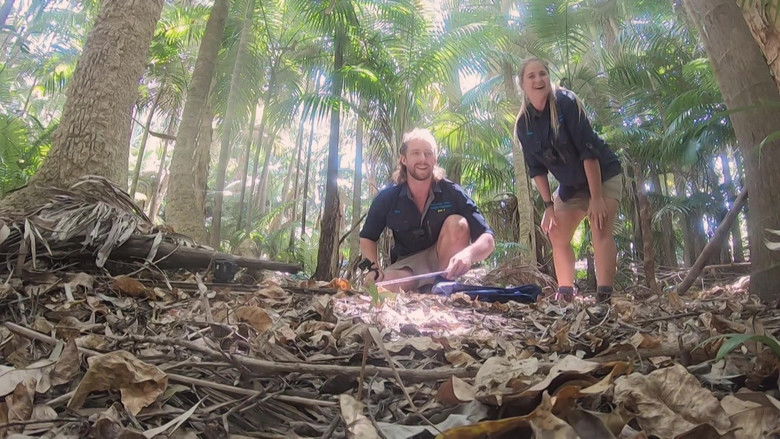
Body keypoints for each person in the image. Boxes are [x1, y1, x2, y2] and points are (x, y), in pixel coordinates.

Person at [514, 58, 623, 303]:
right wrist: (549, 207)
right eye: (531, 76)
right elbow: (537, 169)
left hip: (602, 175)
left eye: (542, 73)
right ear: (523, 84)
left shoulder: (565, 102)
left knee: (600, 226)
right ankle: (565, 292)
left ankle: (604, 297)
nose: (538, 79)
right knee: (557, 233)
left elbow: (589, 151)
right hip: (571, 186)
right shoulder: (524, 124)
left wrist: (596, 198)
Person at [359, 128, 496, 292]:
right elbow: (367, 237)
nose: (422, 159)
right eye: (416, 153)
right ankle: (424, 288)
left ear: (435, 159)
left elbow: (487, 239)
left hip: (444, 263)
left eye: (428, 153)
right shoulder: (388, 197)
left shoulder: (452, 192)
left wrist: (468, 254)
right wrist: (373, 268)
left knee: (458, 223)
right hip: (407, 266)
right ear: (404, 159)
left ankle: (443, 287)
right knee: (378, 288)